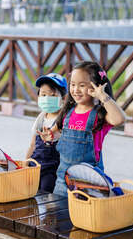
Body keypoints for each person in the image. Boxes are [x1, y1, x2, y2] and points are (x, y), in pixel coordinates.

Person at [51, 61, 126, 196]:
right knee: (59, 214)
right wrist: (50, 135)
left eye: (82, 85)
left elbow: (119, 119)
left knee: (85, 216)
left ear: (95, 87)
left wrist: (103, 96)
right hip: (63, 181)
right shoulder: (68, 112)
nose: (75, 90)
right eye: (73, 85)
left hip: (90, 184)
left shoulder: (100, 114)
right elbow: (57, 134)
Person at [26, 73, 67, 193]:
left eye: (52, 95)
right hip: (35, 165)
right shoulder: (41, 118)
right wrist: (26, 162)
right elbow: (32, 144)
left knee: (45, 192)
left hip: (52, 169)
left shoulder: (64, 119)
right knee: (30, 192)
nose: (47, 98)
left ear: (63, 98)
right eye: (43, 94)